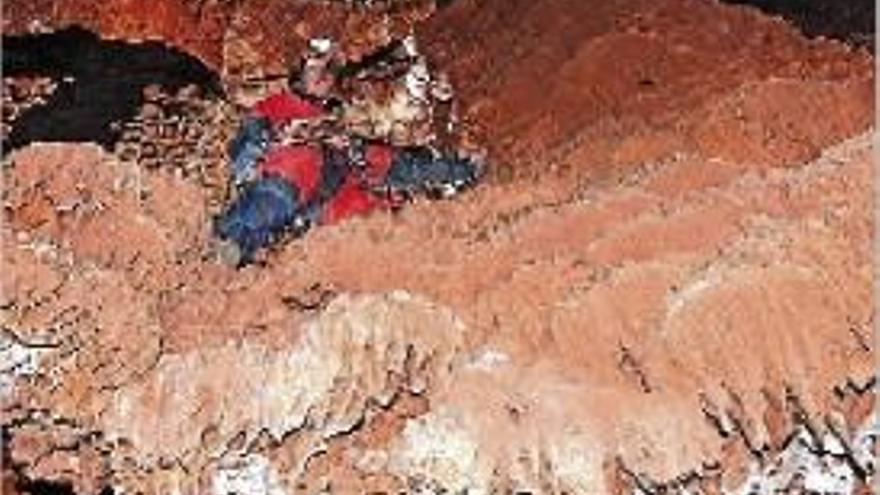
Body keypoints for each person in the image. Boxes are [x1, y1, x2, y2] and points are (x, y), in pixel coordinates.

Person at [213, 38, 482, 267]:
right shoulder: (279, 107)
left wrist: (461, 170)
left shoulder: (346, 121)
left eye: (329, 69)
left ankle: (456, 178)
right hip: (285, 183)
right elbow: (246, 142)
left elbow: (393, 164)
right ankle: (232, 241)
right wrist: (258, 149)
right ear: (300, 73)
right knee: (286, 180)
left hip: (328, 206)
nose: (324, 75)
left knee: (378, 204)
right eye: (317, 67)